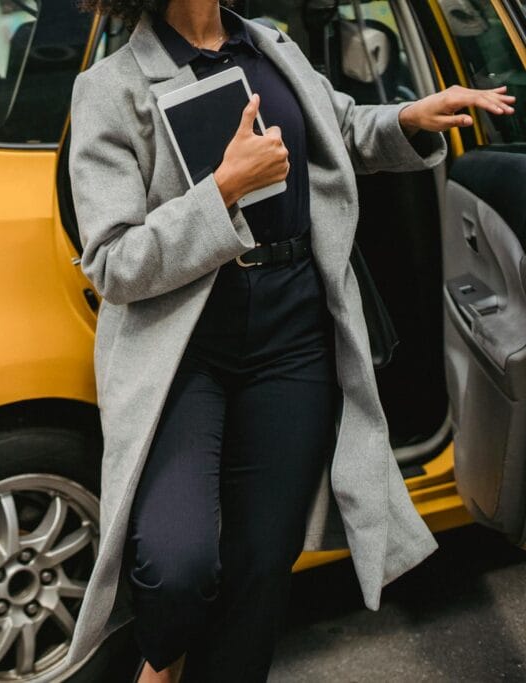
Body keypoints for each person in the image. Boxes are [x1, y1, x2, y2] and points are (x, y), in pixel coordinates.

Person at [62, 0, 516, 681]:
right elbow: (113, 261)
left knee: (261, 567)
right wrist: (224, 191)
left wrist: (408, 117)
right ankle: (161, 657)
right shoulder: (111, 88)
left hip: (294, 334)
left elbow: (342, 129)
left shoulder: (270, 45)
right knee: (177, 562)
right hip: (188, 349)